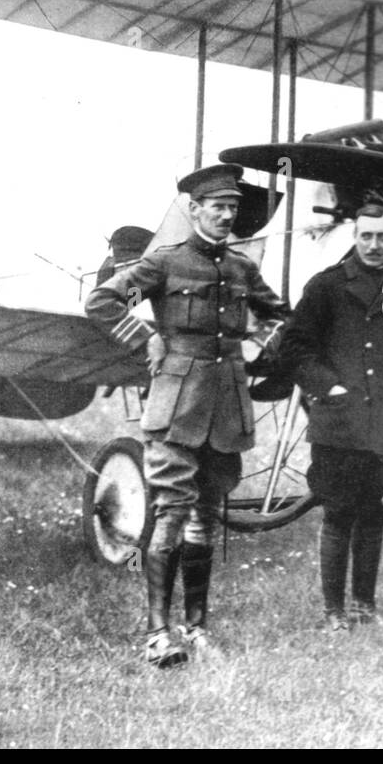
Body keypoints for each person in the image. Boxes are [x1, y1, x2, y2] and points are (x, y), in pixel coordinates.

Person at [85, 163, 290, 667]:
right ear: (194, 210)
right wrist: (147, 337)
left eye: (232, 208)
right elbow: (104, 300)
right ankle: (159, 634)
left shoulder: (241, 269)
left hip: (226, 408)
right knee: (172, 510)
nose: (225, 216)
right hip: (177, 407)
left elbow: (278, 313)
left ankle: (197, 627)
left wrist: (267, 343)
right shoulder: (164, 265)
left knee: (208, 514)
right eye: (216, 207)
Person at [280, 203, 383, 630]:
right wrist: (329, 386)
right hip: (342, 421)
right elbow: (294, 348)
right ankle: (333, 612)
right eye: (366, 236)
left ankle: (363, 607)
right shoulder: (328, 286)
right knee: (339, 514)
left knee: (376, 514)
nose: (374, 246)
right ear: (355, 237)